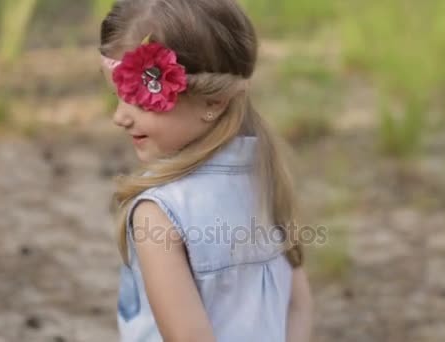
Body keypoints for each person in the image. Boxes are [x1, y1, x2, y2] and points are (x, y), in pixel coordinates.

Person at [98, 1, 313, 341]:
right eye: (117, 96)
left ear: (214, 101)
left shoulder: (159, 213)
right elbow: (298, 306)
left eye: (140, 99)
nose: (120, 116)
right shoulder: (266, 175)